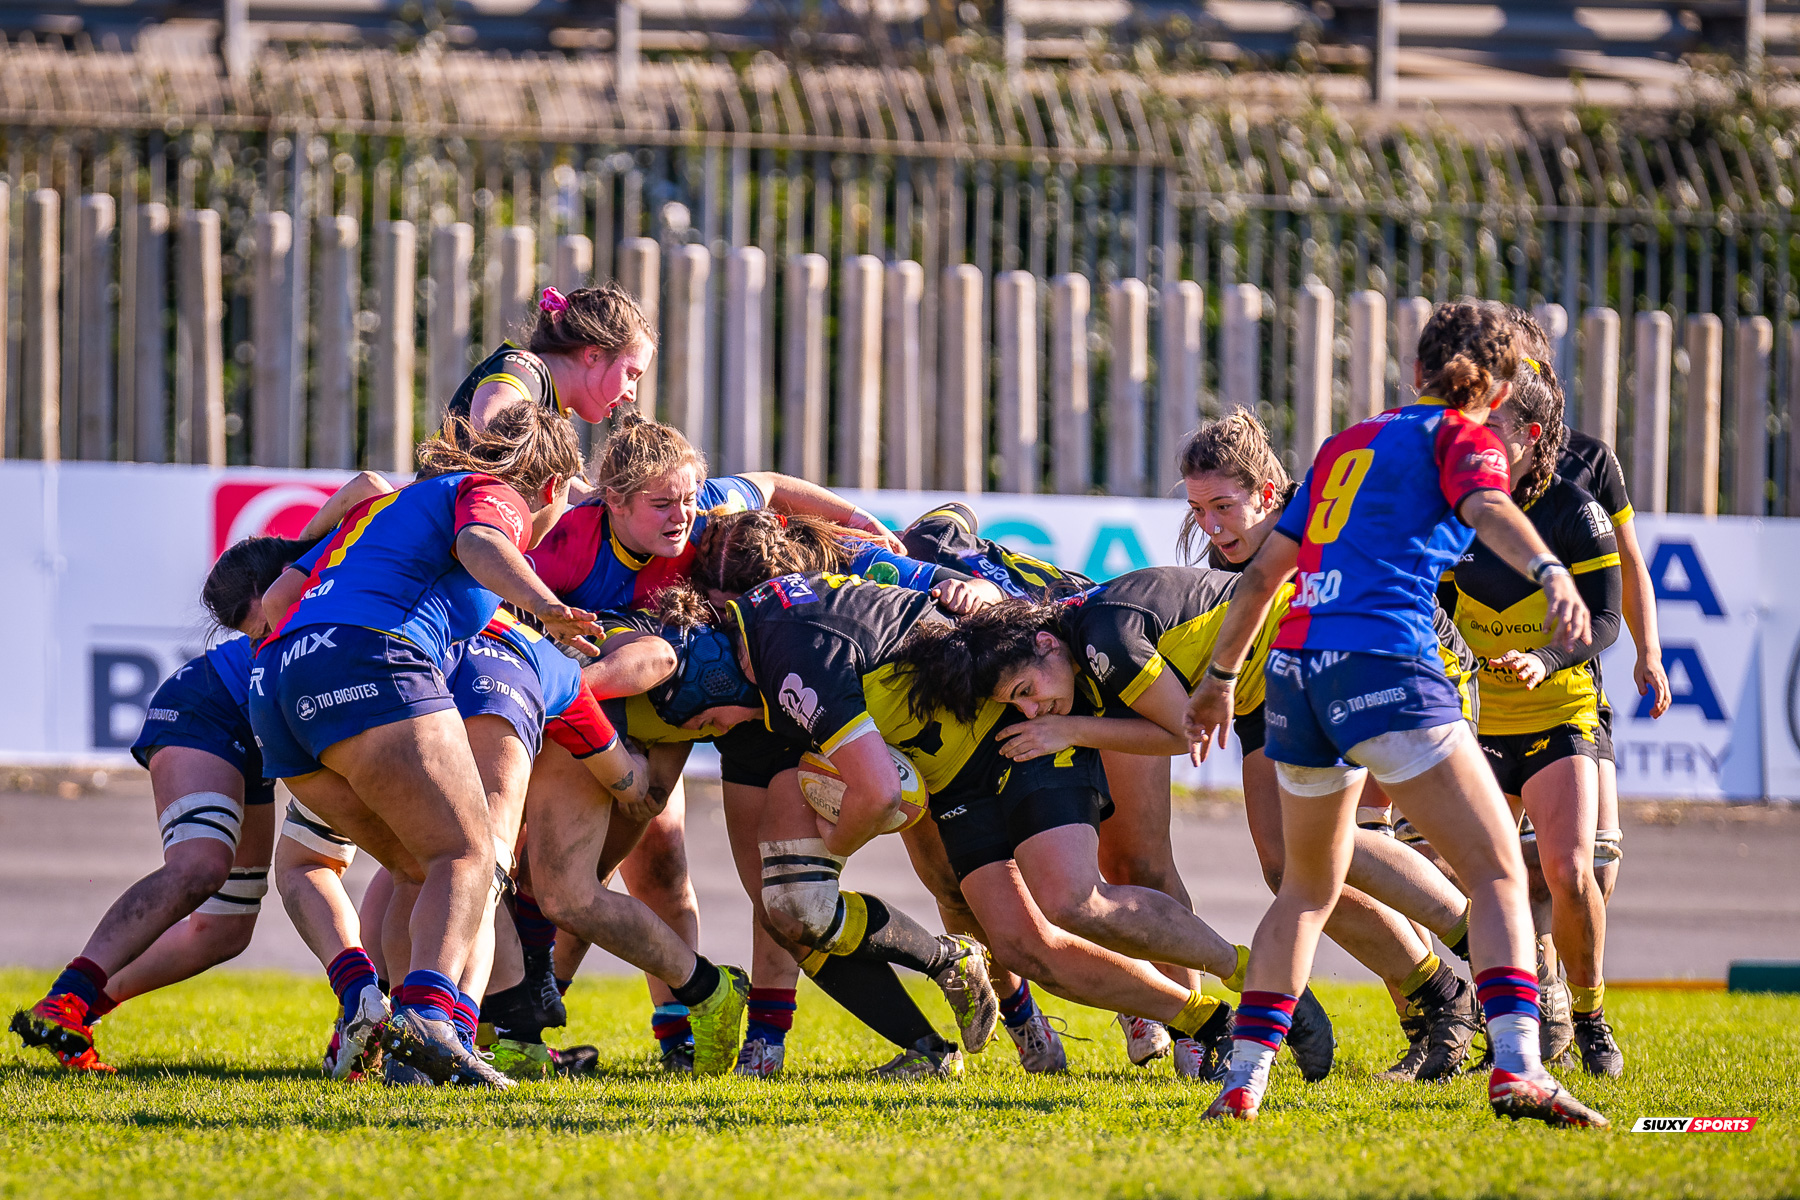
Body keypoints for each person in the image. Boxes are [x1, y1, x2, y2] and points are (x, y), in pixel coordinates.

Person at [1185, 301, 1608, 1127]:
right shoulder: (1465, 437)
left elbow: (1266, 574)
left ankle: (1243, 1082)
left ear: (1416, 372)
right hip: (1386, 659)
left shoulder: (1347, 443)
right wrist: (1551, 570)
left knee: (1304, 887)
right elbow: (1489, 511)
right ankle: (1519, 1067)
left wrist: (1220, 679)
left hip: (1296, 670)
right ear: (1498, 386)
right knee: (1497, 872)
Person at [250, 403, 723, 1089]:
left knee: (419, 870)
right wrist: (550, 607)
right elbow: (483, 545)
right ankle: (435, 1024)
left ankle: (404, 1046)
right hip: (372, 663)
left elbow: (274, 602)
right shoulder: (490, 495)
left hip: (276, 686)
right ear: (554, 487)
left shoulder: (389, 509)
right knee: (471, 857)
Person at [8, 470, 397, 1074]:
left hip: (293, 724)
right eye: (253, 632)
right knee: (201, 867)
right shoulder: (323, 576)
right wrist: (305, 550)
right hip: (211, 710)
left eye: (259, 623)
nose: (264, 636)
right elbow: (369, 486)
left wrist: (304, 553)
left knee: (224, 930)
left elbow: (371, 487)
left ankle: (80, 1009)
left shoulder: (331, 573)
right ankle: (66, 999)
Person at [889, 569, 1336, 1081]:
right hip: (1275, 672)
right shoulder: (1068, 648)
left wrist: (1070, 729)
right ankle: (1232, 1002)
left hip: (1316, 652)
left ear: (1046, 644)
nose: (1030, 710)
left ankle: (1268, 989)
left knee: (1319, 854)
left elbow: (1188, 734)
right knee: (1030, 931)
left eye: (1027, 691)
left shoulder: (1104, 638)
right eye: (1017, 702)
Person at [1179, 413, 1484, 1081]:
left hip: (1397, 664)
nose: (1211, 527)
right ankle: (1442, 1001)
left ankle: (1494, 974)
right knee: (1286, 867)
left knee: (1356, 849)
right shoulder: (1232, 551)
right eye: (1199, 510)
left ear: (1268, 492)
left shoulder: (1322, 517)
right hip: (1288, 679)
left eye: (1223, 507)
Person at [1443, 351, 1625, 1078]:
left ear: (1533, 435)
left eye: (1492, 431)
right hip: (1478, 724)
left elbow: (1606, 621)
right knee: (1474, 879)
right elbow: (1428, 604)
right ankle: (1515, 1011)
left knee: (1572, 871)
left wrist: (1545, 659)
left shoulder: (1575, 511)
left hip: (1560, 714)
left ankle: (1590, 1015)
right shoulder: (1453, 509)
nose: (1475, 443)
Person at [446, 284, 654, 437]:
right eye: (631, 375)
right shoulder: (523, 368)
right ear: (593, 355)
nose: (632, 395)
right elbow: (490, 433)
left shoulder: (550, 403)